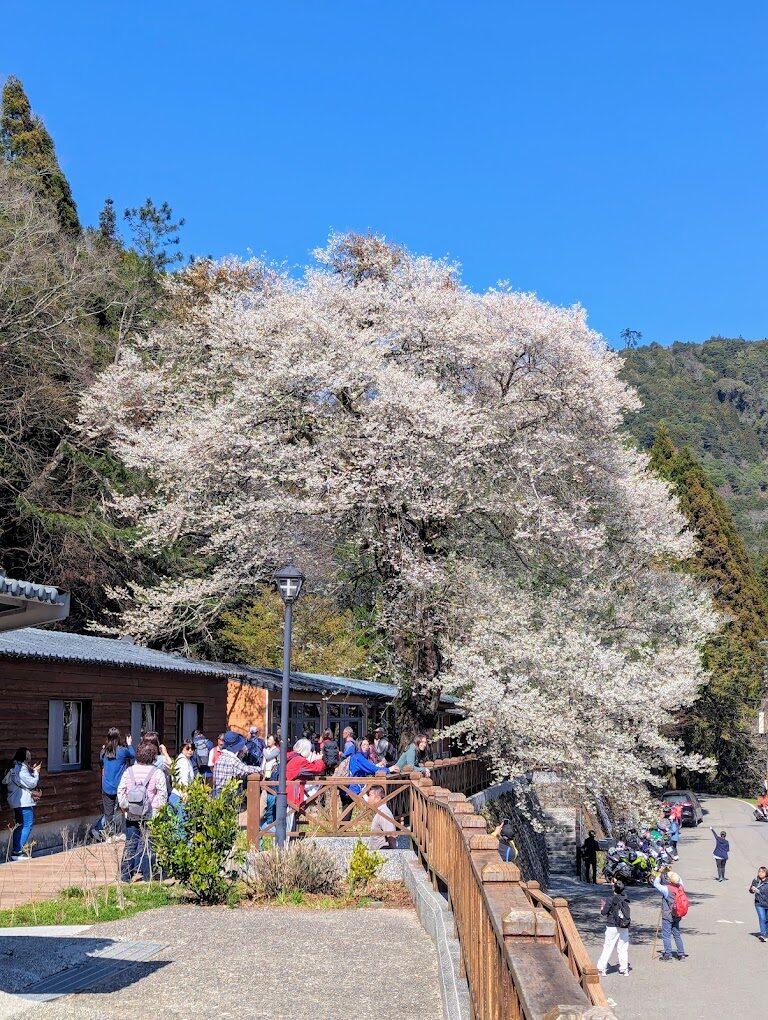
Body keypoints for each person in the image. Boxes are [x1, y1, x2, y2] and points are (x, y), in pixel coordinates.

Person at [117, 741, 167, 882]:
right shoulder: (157, 772)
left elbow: (120, 790)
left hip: (132, 813)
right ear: (153, 756)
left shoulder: (129, 771)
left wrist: (125, 806)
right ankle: (147, 876)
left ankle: (125, 876)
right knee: (148, 845)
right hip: (151, 814)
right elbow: (162, 794)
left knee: (131, 844)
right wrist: (158, 810)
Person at [2, 748, 41, 861]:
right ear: (24, 757)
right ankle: (18, 852)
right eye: (28, 755)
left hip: (15, 801)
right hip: (23, 801)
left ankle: (16, 851)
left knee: (19, 825)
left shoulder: (13, 767)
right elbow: (32, 783)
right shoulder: (21, 768)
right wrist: (36, 773)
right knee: (27, 824)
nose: (30, 757)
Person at [99, 728, 135, 838]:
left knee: (108, 813)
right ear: (119, 738)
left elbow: (101, 764)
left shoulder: (103, 752)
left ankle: (109, 836)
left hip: (106, 786)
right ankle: (125, 832)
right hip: (120, 786)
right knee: (125, 809)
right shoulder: (122, 751)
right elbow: (133, 755)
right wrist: (129, 744)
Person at [285, 737, 326, 830]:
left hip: (286, 792)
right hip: (292, 794)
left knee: (290, 821)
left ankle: (290, 840)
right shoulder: (300, 760)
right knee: (289, 824)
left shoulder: (291, 756)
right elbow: (316, 769)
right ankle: (288, 841)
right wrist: (319, 759)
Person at [597, 878, 631, 976]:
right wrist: (616, 883)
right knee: (623, 947)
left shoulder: (611, 899)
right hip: (624, 925)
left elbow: (604, 913)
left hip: (612, 925)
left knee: (608, 947)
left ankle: (601, 969)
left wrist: (602, 907)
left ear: (614, 889)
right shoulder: (625, 898)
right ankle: (624, 969)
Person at [212, 730, 261, 799]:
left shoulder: (220, 757)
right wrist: (260, 769)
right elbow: (245, 769)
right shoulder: (233, 760)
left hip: (217, 792)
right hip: (227, 794)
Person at [653, 868, 687, 961]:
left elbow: (656, 884)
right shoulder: (681, 887)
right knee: (676, 934)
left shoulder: (667, 889)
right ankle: (681, 954)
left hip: (668, 914)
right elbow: (679, 879)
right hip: (678, 914)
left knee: (666, 935)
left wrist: (659, 873)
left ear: (669, 880)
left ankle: (668, 955)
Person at [368, 784, 397, 850]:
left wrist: (394, 854)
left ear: (378, 798)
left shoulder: (383, 813)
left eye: (370, 795)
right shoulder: (380, 811)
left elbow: (391, 835)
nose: (368, 798)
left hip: (383, 852)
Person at [171, 741, 196, 807]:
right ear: (182, 749)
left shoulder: (187, 760)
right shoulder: (183, 761)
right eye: (187, 748)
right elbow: (183, 779)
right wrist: (185, 794)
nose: (190, 750)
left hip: (179, 795)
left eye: (192, 748)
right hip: (180, 796)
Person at [749, 865, 768, 941]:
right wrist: (752, 890)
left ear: (766, 873)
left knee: (767, 919)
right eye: (759, 871)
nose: (760, 873)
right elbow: (750, 890)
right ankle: (763, 934)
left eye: (762, 872)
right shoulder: (755, 881)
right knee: (762, 918)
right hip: (759, 903)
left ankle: (766, 933)